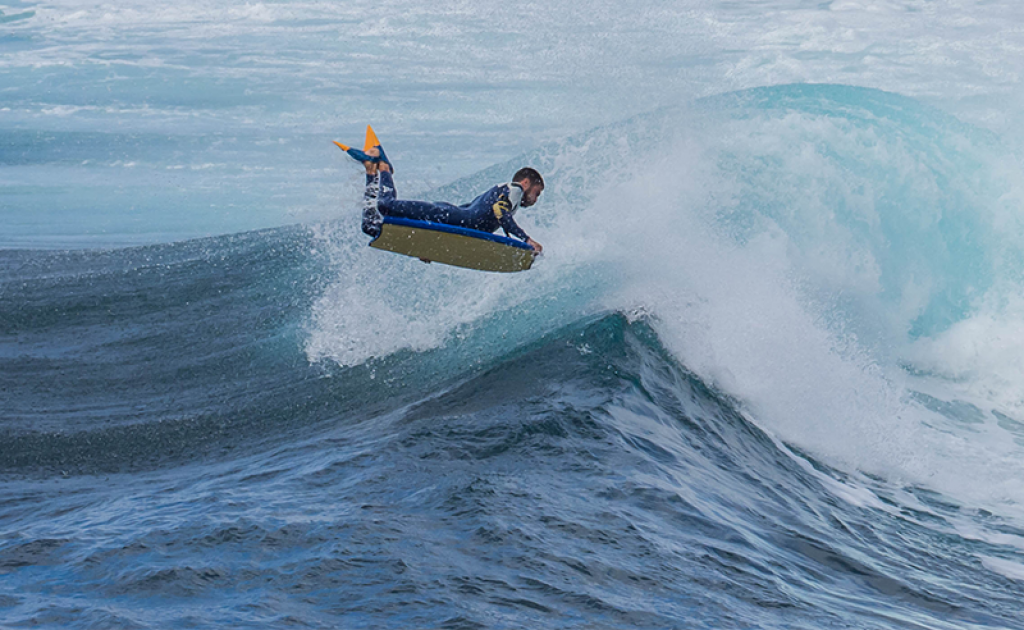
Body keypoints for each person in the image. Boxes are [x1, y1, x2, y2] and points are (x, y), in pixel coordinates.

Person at [355, 147, 544, 253]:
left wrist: (430, 245)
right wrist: (526, 239)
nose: (535, 200)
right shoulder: (515, 189)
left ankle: (371, 172)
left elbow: (472, 210)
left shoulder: (501, 193)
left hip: (450, 216)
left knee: (371, 226)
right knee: (385, 205)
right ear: (526, 183)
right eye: (536, 193)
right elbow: (501, 214)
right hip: (446, 215)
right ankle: (385, 168)